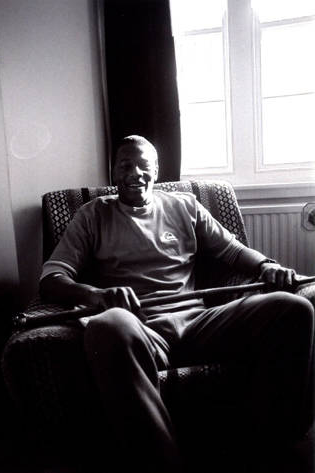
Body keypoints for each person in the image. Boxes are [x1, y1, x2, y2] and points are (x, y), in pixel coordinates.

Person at [39, 135, 314, 473]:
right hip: (140, 330)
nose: (135, 173)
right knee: (106, 326)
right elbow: (52, 278)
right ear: (113, 171)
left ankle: (274, 441)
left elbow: (232, 251)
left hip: (199, 322)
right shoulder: (91, 215)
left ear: (157, 170)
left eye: (144, 165)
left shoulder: (184, 205)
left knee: (295, 308)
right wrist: (95, 296)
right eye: (125, 165)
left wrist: (265, 266)